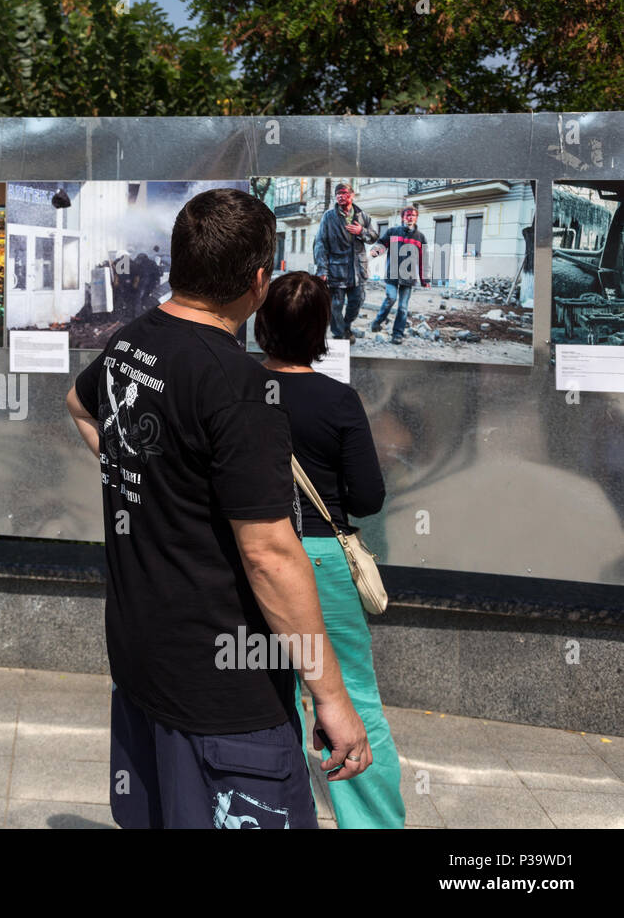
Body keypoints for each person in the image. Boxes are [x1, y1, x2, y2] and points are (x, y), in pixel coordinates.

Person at [65, 188, 370, 829]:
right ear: (258, 282)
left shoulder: (133, 342)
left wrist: (143, 476)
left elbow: (78, 403)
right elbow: (268, 554)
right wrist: (333, 700)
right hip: (224, 693)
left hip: (143, 661)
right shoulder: (241, 385)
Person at [255, 270, 404, 829]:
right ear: (322, 329)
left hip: (252, 558)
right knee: (351, 697)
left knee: (271, 695)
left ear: (261, 321)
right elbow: (366, 498)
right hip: (321, 560)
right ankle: (371, 823)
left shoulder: (238, 388)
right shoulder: (339, 401)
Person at [313, 183, 375, 341]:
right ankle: (340, 334)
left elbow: (374, 236)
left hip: (357, 270)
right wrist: (322, 270)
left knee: (357, 301)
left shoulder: (362, 215)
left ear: (352, 195)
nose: (340, 196)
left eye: (344, 193)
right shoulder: (329, 216)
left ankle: (346, 326)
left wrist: (362, 231)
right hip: (336, 270)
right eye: (337, 194)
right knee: (336, 306)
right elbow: (320, 243)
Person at [369, 206, 429, 345]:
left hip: (408, 277)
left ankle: (397, 334)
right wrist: (374, 253)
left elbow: (423, 260)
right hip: (392, 274)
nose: (410, 217)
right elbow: (381, 245)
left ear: (416, 218)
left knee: (403, 307)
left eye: (413, 215)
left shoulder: (420, 237)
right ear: (403, 217)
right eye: (408, 215)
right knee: (391, 298)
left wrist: (424, 279)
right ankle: (378, 321)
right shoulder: (392, 232)